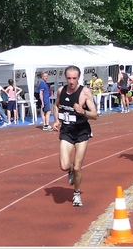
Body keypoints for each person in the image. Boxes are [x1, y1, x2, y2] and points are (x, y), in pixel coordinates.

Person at [52, 65, 98, 207]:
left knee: (78, 167)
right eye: (69, 78)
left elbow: (95, 115)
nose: (71, 81)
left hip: (81, 132)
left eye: (74, 78)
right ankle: (70, 169)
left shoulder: (84, 92)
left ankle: (76, 193)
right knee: (64, 166)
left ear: (78, 78)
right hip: (66, 131)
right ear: (65, 78)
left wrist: (82, 112)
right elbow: (56, 105)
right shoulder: (61, 90)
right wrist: (56, 120)